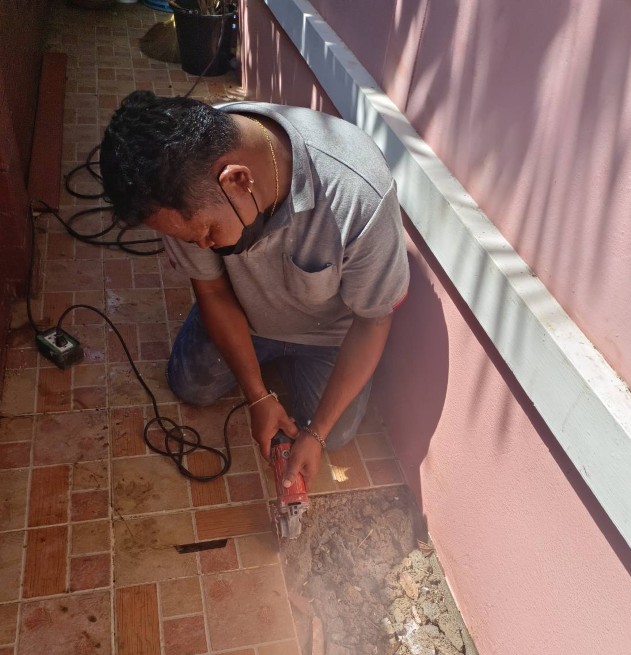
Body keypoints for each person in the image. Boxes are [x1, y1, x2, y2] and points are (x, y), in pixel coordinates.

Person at [100, 91, 409, 487]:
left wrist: (315, 434)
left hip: (329, 334)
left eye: (208, 234)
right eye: (193, 240)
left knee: (337, 434)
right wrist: (258, 396)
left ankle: (294, 366)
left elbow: (373, 321)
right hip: (245, 315)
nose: (203, 246)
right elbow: (212, 292)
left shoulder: (357, 193)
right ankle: (269, 364)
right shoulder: (175, 182)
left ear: (238, 181)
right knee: (189, 383)